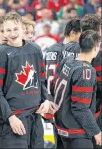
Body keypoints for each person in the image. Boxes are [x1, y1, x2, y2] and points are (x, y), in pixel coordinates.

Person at [0, 11, 57, 148]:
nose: (12, 33)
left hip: (35, 118)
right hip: (12, 121)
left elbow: (41, 81)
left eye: (15, 29)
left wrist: (45, 99)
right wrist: (10, 117)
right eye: (8, 30)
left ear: (22, 29)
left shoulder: (35, 49)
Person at [54, 30, 101, 148]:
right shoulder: (86, 71)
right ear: (96, 48)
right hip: (76, 132)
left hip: (61, 127)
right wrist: (96, 131)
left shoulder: (67, 61)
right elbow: (80, 107)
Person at [44, 18, 81, 149]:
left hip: (51, 106)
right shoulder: (73, 52)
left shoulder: (50, 49)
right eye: (81, 35)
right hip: (65, 109)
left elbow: (45, 79)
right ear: (73, 33)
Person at [80, 13, 102, 149]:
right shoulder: (98, 55)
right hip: (95, 113)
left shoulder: (70, 53)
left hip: (72, 116)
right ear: (99, 30)